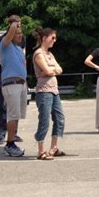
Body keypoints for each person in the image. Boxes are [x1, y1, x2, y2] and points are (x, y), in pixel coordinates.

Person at [32, 27, 65, 159]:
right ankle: (41, 151)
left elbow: (59, 69)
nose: (54, 40)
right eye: (53, 37)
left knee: (59, 119)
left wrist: (50, 69)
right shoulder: (38, 53)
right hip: (44, 91)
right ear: (44, 38)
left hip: (54, 91)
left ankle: (53, 148)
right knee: (44, 121)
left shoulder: (50, 55)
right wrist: (51, 69)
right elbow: (49, 71)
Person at [0, 15, 25, 145]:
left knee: (15, 110)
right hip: (6, 77)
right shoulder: (3, 40)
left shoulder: (20, 41)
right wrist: (8, 62)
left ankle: (13, 134)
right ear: (11, 25)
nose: (19, 27)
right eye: (17, 25)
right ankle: (1, 134)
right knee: (2, 107)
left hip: (18, 80)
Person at [0, 17, 28, 157]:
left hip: (20, 85)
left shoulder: (18, 48)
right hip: (11, 85)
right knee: (13, 115)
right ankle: (9, 145)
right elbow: (10, 33)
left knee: (16, 115)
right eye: (17, 32)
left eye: (21, 32)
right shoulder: (6, 44)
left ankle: (12, 140)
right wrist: (16, 22)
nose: (20, 34)